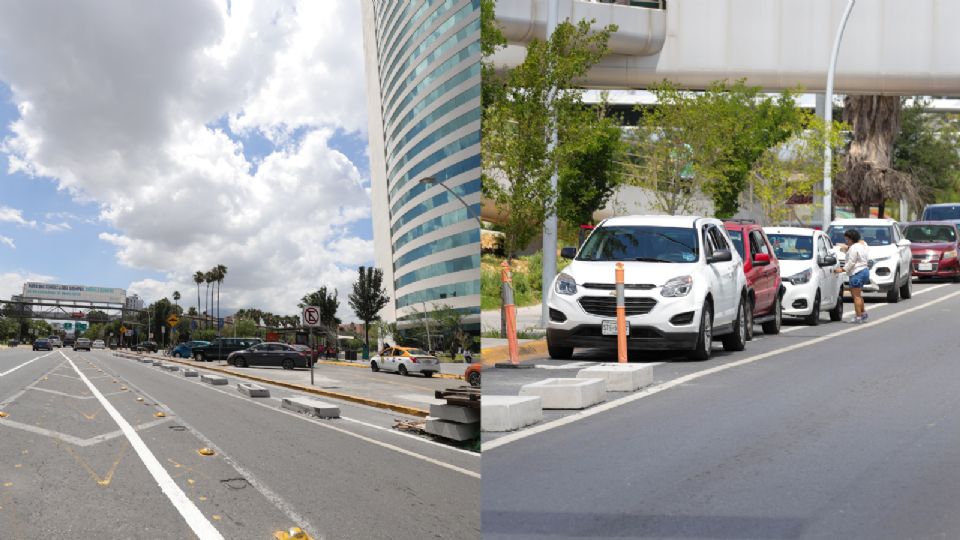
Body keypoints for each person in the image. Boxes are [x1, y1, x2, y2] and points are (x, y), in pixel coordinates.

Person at [836, 229, 869, 323]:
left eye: (848, 240)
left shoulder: (853, 248)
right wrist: (847, 249)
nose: (847, 242)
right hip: (865, 271)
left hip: (857, 272)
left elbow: (851, 262)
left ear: (852, 239)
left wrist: (842, 269)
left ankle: (858, 317)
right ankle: (863, 313)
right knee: (859, 295)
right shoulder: (863, 246)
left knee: (856, 297)